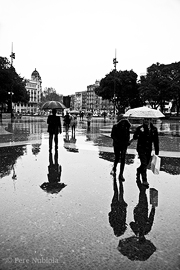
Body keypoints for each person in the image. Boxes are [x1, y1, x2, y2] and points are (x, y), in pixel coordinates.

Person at [130, 118, 159, 187]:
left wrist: (157, 150)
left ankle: (139, 170)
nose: (146, 121)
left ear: (150, 120)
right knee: (144, 163)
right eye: (145, 119)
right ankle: (144, 180)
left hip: (148, 149)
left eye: (148, 119)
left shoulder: (154, 129)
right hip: (141, 148)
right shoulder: (140, 128)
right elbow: (135, 137)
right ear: (143, 120)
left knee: (146, 163)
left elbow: (156, 140)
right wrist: (138, 133)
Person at [110, 114, 131, 181]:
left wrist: (127, 141)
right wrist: (118, 141)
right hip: (117, 145)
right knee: (117, 157)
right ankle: (114, 168)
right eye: (122, 120)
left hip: (124, 145)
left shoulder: (127, 127)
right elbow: (112, 135)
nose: (123, 122)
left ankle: (121, 174)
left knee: (123, 159)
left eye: (125, 120)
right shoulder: (115, 126)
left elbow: (128, 135)